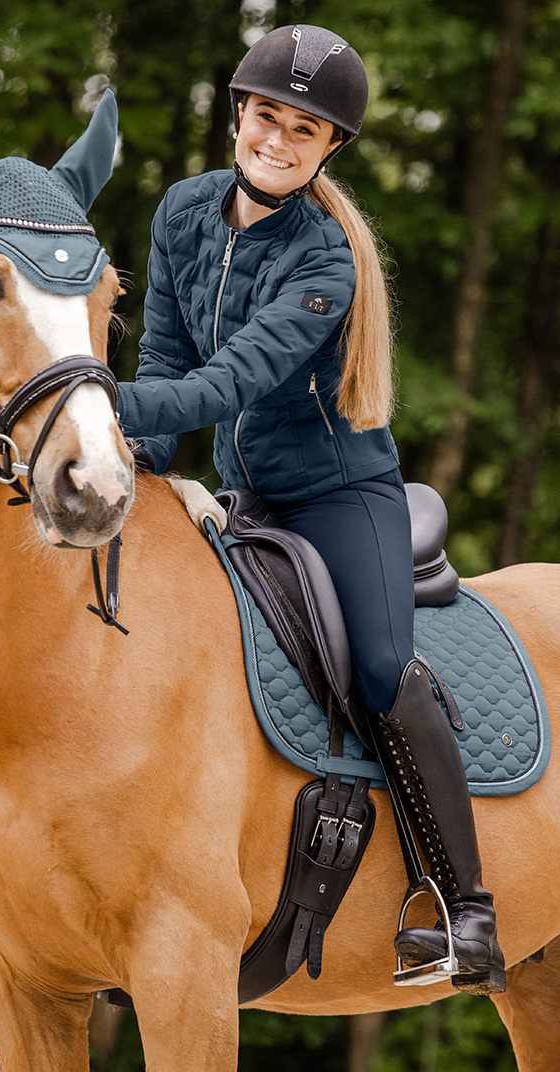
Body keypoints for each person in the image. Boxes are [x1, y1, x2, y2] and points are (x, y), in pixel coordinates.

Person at [116, 24, 505, 995]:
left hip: (341, 499)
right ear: (238, 115)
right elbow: (165, 360)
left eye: (305, 129)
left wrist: (87, 398)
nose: (278, 141)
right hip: (246, 497)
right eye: (266, 117)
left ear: (330, 147)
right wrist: (127, 464)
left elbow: (223, 382)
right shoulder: (184, 212)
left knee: (378, 662)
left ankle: (466, 913)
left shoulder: (325, 260)